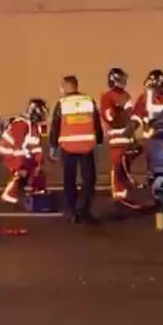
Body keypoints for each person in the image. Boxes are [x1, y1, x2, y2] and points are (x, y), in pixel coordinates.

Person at [49, 75, 103, 223]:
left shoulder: (62, 103)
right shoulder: (89, 101)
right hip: (87, 147)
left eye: (62, 86)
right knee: (89, 179)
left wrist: (53, 146)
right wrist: (99, 142)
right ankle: (83, 208)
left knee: (69, 180)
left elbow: (55, 125)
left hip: (68, 147)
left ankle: (72, 210)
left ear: (67, 86)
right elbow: (97, 123)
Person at [0, 98, 49, 206]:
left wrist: (38, 163)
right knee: (23, 171)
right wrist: (21, 167)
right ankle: (9, 196)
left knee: (37, 170)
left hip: (19, 152)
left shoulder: (35, 127)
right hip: (8, 152)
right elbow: (17, 146)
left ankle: (39, 193)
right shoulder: (21, 123)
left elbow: (36, 147)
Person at [99, 67, 138, 208]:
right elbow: (111, 118)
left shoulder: (126, 95)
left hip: (127, 138)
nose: (124, 82)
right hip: (117, 138)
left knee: (125, 167)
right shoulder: (107, 97)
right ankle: (118, 198)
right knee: (117, 168)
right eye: (121, 79)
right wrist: (123, 111)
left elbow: (132, 116)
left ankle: (124, 195)